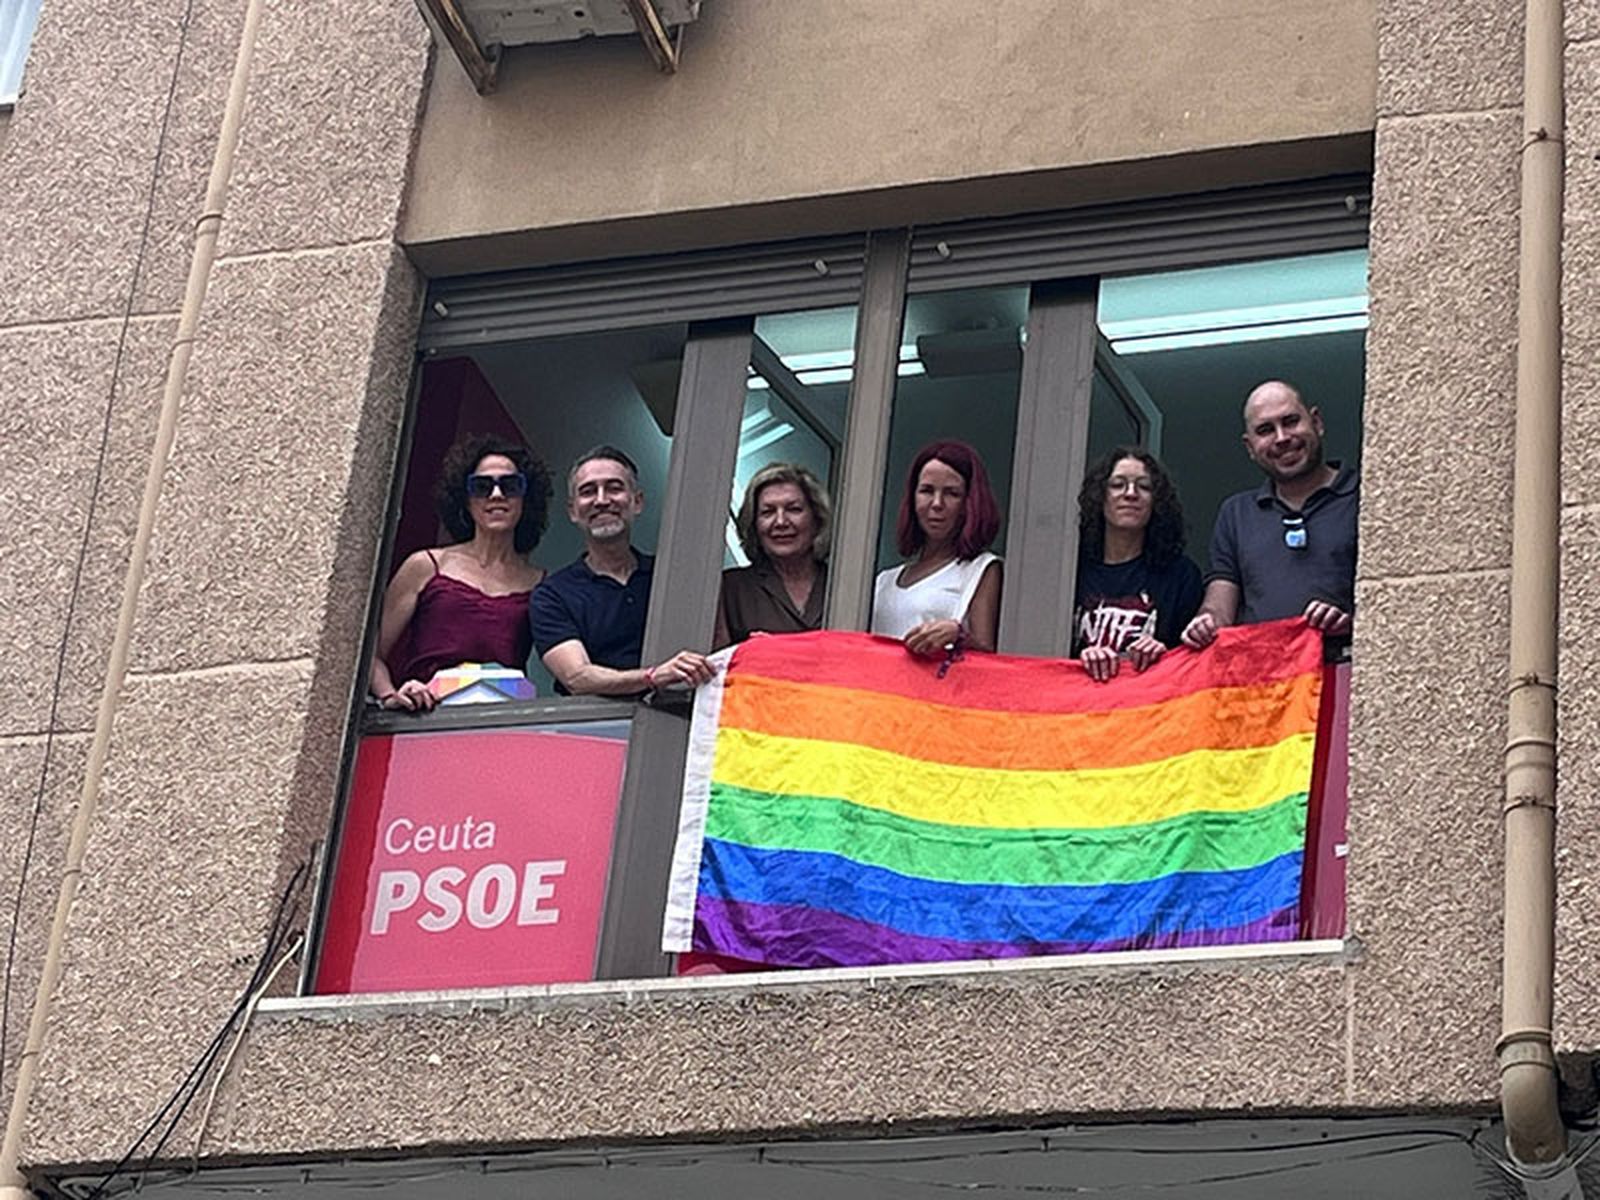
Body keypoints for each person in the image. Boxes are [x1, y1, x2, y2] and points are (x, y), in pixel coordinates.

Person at [370, 433, 553, 712]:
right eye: (481, 486)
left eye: (511, 485)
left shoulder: (541, 584)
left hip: (503, 723)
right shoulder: (426, 565)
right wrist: (390, 695)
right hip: (426, 718)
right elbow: (369, 654)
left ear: (526, 498)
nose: (496, 495)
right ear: (465, 499)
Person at [1181, 380, 1359, 649]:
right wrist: (1205, 624)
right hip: (1261, 682)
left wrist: (1353, 623)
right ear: (1250, 447)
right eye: (1265, 430)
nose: (1282, 438)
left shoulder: (1366, 497)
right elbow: (1219, 608)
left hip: (1345, 676)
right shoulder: (1235, 514)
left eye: (1290, 421)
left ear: (1317, 422)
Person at [531, 445, 714, 695]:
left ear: (637, 502)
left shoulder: (670, 578)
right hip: (591, 729)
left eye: (614, 488)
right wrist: (653, 676)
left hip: (677, 723)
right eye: (588, 491)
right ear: (573, 511)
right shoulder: (553, 594)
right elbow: (577, 677)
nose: (602, 500)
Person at [1073, 447, 1204, 682]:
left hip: (1148, 709)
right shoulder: (1069, 570)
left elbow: (1194, 660)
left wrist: (1163, 652)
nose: (1131, 494)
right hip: (1074, 708)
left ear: (1157, 502)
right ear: (1099, 496)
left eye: (1144, 486)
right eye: (1117, 484)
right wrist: (1081, 655)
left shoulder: (1181, 575)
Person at [871, 440, 1003, 656]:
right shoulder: (883, 580)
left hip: (937, 688)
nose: (937, 503)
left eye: (952, 493)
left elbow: (986, 655)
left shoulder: (981, 569)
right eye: (926, 491)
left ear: (970, 503)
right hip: (876, 687)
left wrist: (958, 635)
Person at [714, 463, 832, 648]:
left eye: (793, 509)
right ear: (753, 524)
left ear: (817, 518)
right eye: (767, 512)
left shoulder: (842, 586)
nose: (780, 522)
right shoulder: (731, 588)